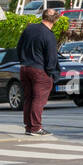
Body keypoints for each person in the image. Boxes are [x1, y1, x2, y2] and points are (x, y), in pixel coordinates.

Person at [17, 8, 60, 136]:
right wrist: (52, 73)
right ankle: (36, 127)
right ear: (55, 20)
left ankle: (29, 127)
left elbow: (19, 47)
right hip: (39, 70)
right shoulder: (49, 35)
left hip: (24, 68)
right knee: (38, 99)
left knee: (29, 98)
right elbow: (52, 58)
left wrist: (22, 61)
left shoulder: (29, 29)